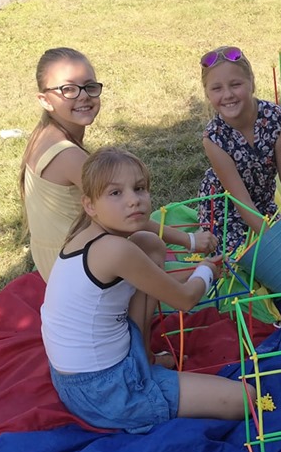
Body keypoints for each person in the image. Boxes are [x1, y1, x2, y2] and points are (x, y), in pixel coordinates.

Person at [41, 147, 253, 432]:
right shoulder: (116, 251)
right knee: (245, 398)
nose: (133, 200)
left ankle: (146, 356)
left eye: (139, 188)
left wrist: (192, 255)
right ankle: (144, 380)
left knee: (149, 243)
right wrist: (206, 270)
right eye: (115, 193)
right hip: (105, 390)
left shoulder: (87, 236)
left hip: (74, 380)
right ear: (89, 205)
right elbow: (186, 299)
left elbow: (151, 258)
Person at [20, 47, 216, 281]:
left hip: (56, 258)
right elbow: (129, 212)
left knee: (148, 240)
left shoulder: (44, 134)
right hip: (73, 269)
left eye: (89, 86)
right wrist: (189, 240)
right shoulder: (68, 156)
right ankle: (139, 307)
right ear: (45, 100)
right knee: (163, 251)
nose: (83, 95)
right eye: (68, 89)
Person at [197, 46, 281, 253]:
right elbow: (241, 201)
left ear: (252, 83)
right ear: (208, 93)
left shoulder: (274, 118)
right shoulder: (213, 138)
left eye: (235, 84)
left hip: (263, 204)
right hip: (227, 210)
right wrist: (274, 241)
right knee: (248, 258)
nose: (228, 95)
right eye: (217, 89)